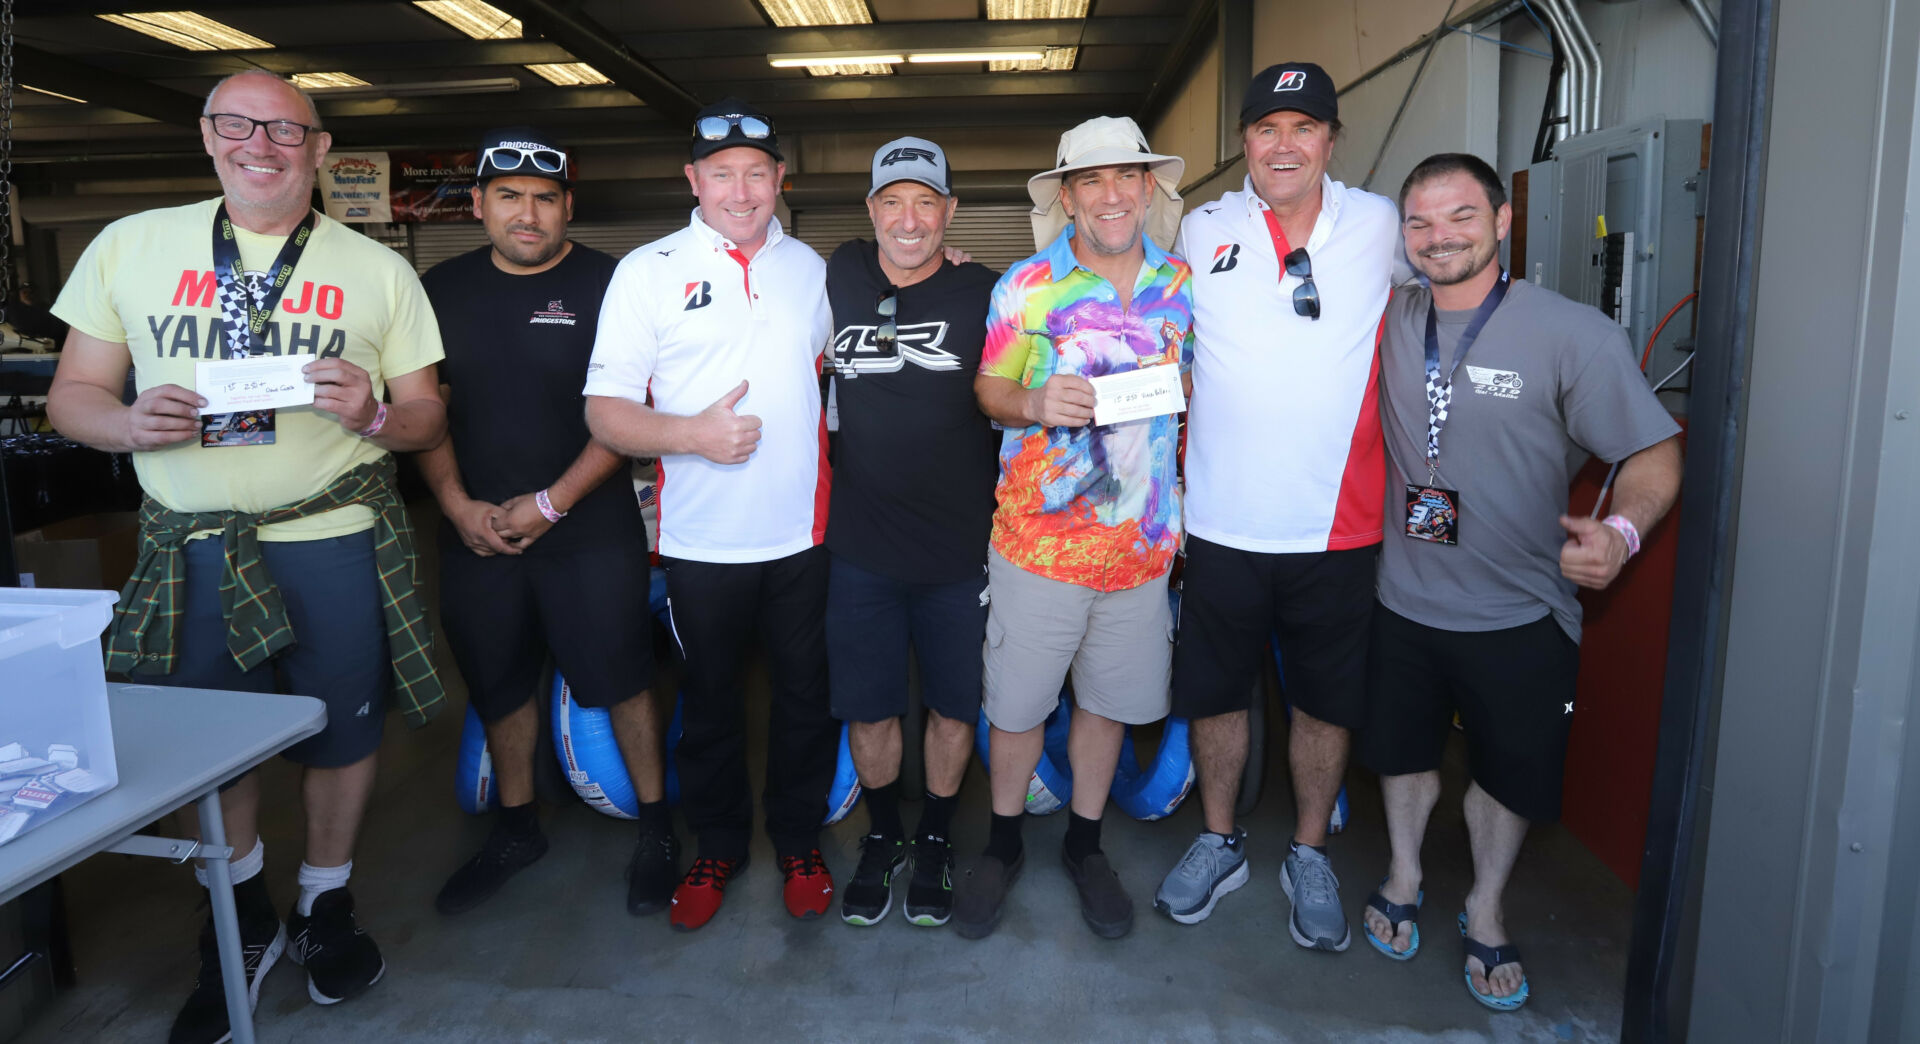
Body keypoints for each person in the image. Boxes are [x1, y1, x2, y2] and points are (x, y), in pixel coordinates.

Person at [46, 70, 447, 1043]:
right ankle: (239, 916)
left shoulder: (378, 269)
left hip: (334, 538)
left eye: (284, 129)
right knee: (213, 748)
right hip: (194, 548)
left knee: (342, 735)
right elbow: (73, 396)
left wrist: (376, 412)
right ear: (207, 135)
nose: (260, 144)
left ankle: (326, 902)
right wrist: (128, 423)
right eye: (238, 125)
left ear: (318, 149)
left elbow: (428, 414)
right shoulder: (128, 246)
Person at [1357, 153, 1681, 1011]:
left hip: (1522, 610)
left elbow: (1654, 452)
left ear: (1503, 223)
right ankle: (1402, 872)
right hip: (1402, 599)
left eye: (1461, 217)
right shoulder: (1387, 319)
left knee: (1508, 774)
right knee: (1402, 756)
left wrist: (1620, 532)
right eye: (1420, 223)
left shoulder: (1573, 333)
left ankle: (1486, 908)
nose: (1439, 238)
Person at [1156, 62, 1401, 951]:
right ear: (1246, 143)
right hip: (1220, 522)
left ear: (1332, 139)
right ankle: (1219, 841)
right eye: (1267, 128)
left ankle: (1307, 850)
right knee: (1215, 694)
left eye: (1304, 127)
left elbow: (1458, 278)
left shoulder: (1379, 224)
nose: (1285, 144)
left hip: (1337, 525)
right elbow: (1145, 316)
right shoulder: (1201, 225)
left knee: (1325, 702)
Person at [583, 98, 839, 932]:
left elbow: (830, 374)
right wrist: (691, 434)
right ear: (692, 179)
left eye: (756, 174)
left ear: (779, 181)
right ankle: (719, 845)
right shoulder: (647, 270)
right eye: (721, 174)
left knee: (806, 698)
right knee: (713, 702)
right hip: (700, 544)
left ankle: (799, 840)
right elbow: (606, 413)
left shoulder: (811, 269)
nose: (740, 190)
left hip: (805, 535)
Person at [417, 127, 674, 918]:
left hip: (589, 527)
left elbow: (630, 413)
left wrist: (554, 500)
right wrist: (458, 506)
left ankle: (659, 827)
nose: (526, 215)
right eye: (508, 197)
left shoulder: (614, 283)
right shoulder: (441, 287)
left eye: (543, 199)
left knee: (621, 677)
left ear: (568, 206)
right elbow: (429, 409)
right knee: (497, 682)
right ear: (478, 205)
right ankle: (517, 827)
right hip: (477, 528)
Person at [952, 115, 1193, 941]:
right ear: (1068, 196)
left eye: (1128, 175)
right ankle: (1004, 845)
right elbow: (988, 389)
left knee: (1109, 704)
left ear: (1149, 186)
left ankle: (1086, 847)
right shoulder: (1026, 286)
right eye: (1092, 179)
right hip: (1038, 546)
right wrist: (1031, 402)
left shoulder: (1185, 283)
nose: (1113, 194)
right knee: (1018, 709)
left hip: (1142, 548)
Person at [822, 137, 1000, 928]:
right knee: (871, 709)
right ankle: (884, 834)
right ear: (870, 212)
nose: (910, 219)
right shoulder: (839, 271)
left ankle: (933, 836)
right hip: (860, 547)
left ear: (950, 213)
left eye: (926, 202)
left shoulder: (987, 292)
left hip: (960, 551)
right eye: (892, 201)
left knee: (954, 709)